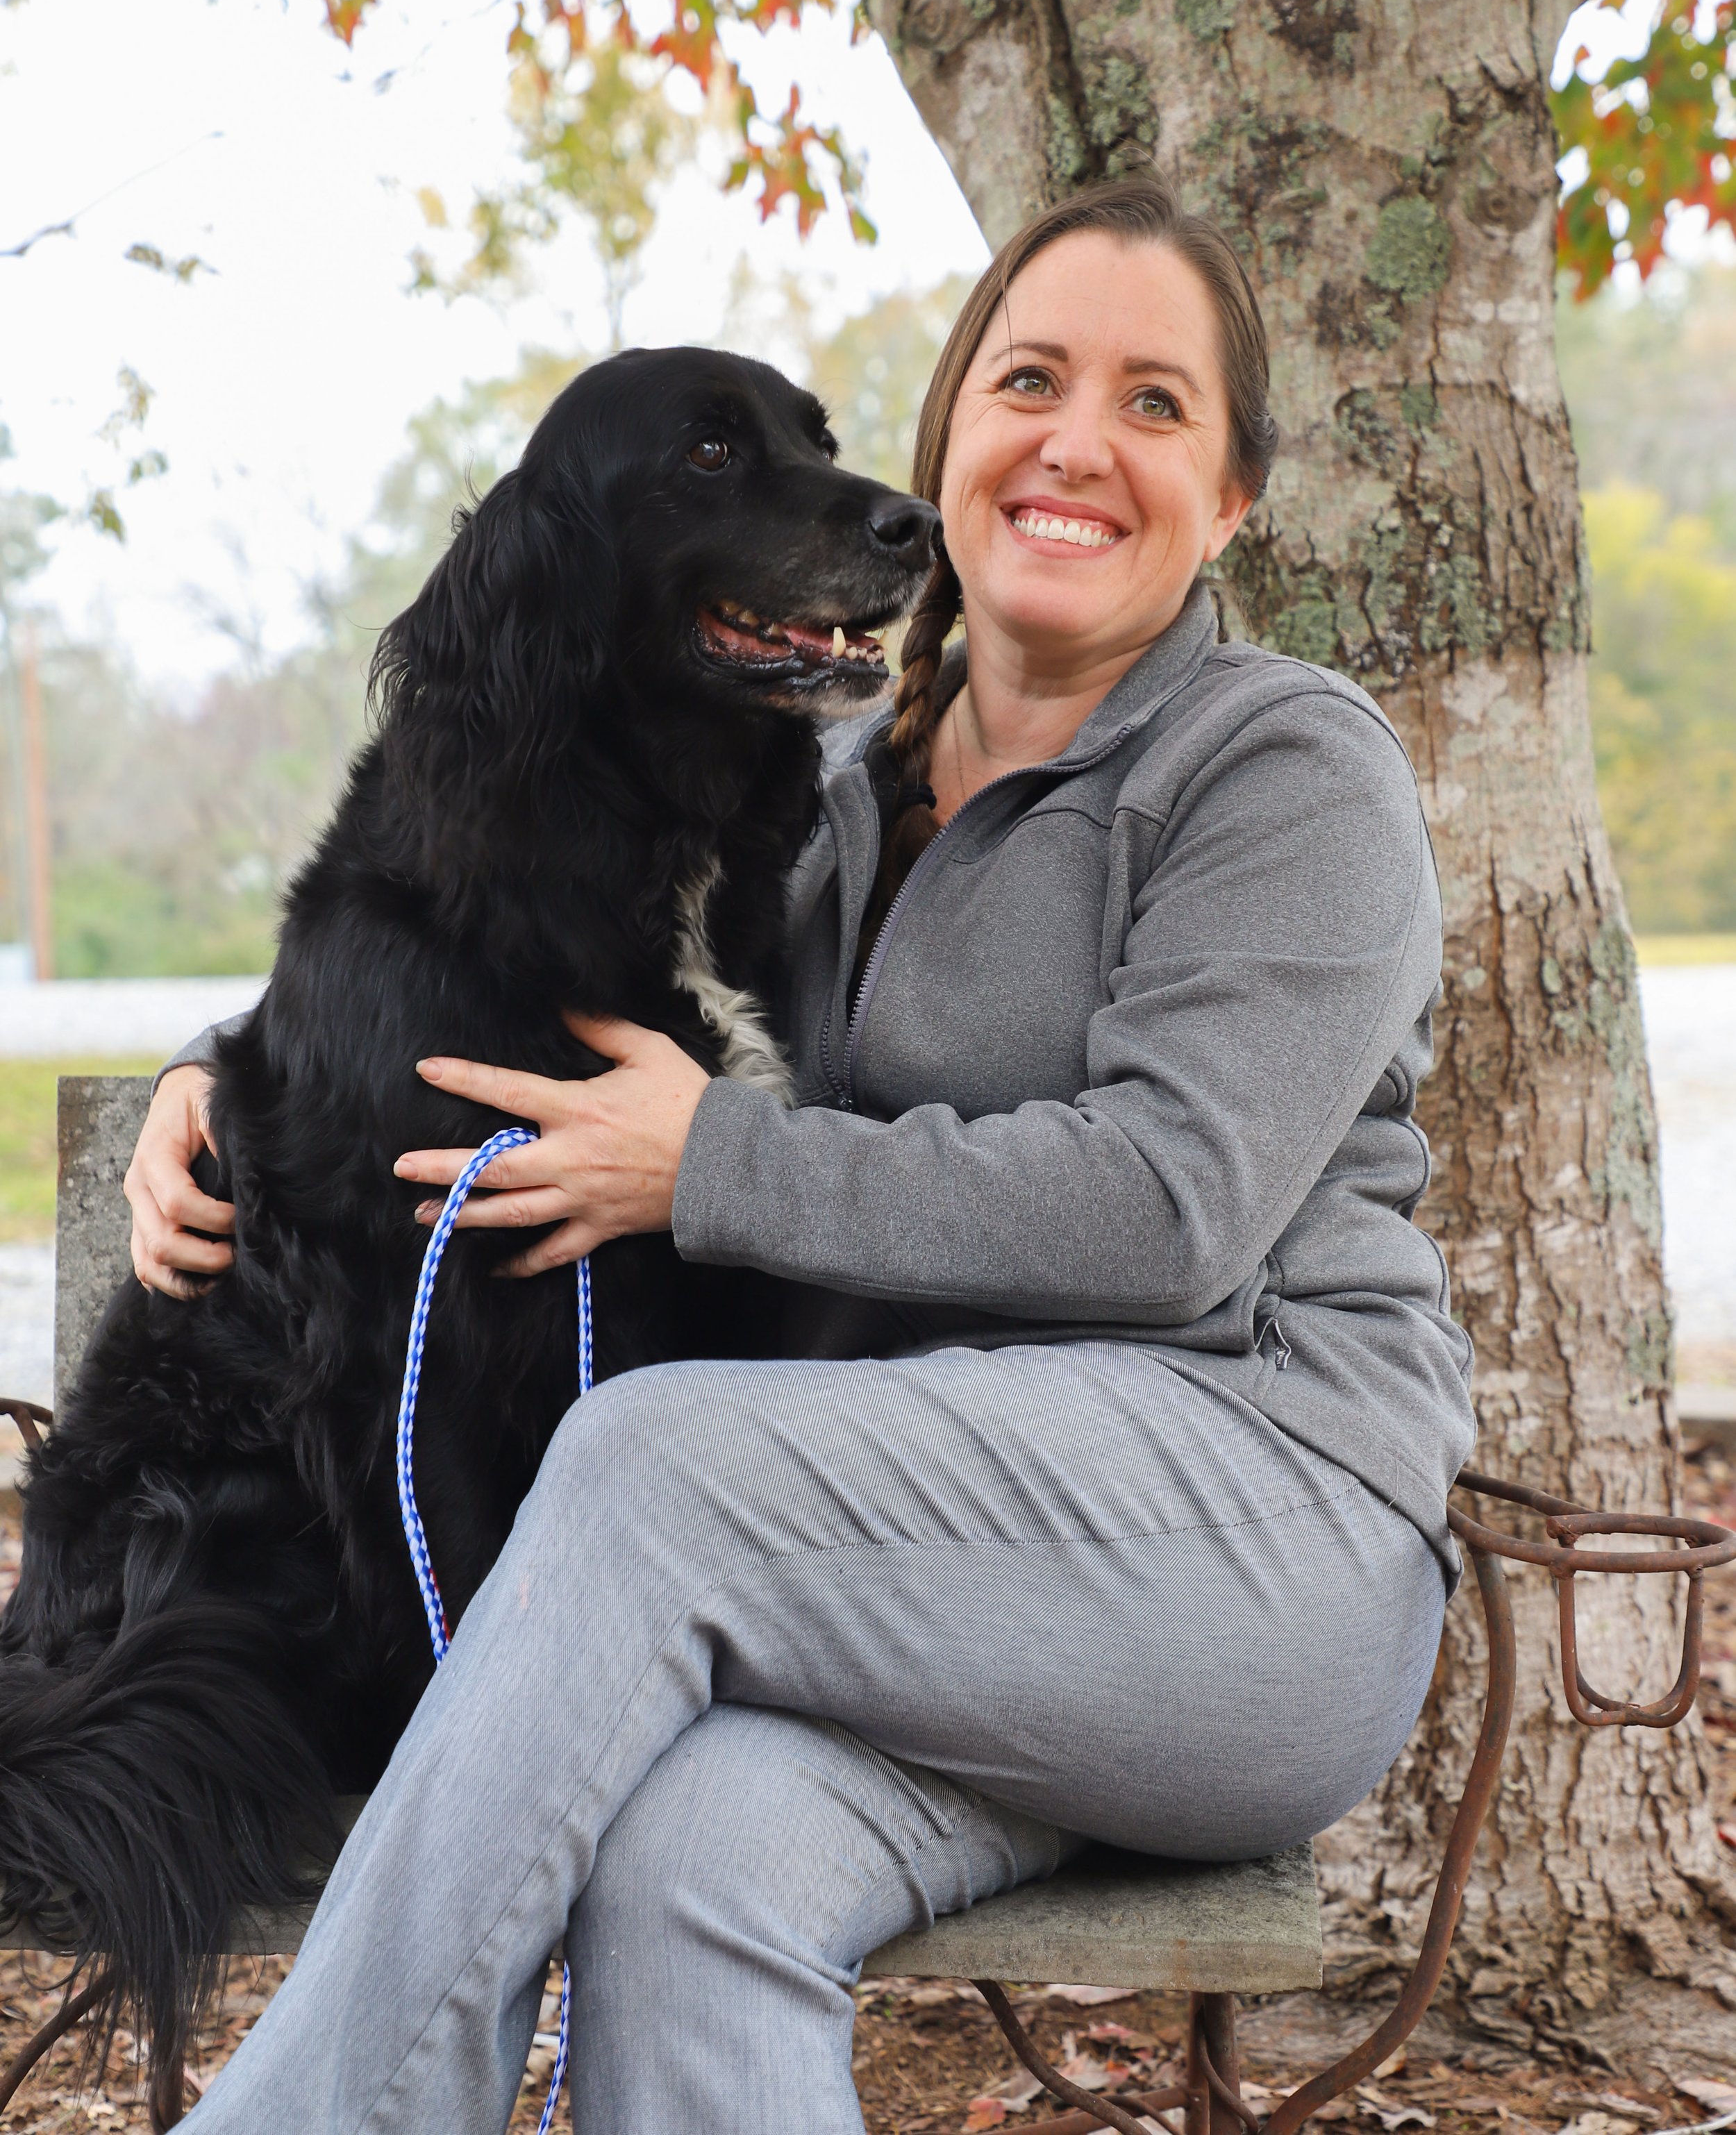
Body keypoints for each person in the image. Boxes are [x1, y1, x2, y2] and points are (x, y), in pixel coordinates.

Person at [126, 171, 1475, 2135]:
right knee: (686, 1860)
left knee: (648, 1466)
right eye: (1028, 379)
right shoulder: (826, 802)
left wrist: (714, 1168)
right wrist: (218, 1071)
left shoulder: (1281, 765)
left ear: (1234, 500)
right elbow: (475, 922)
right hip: (925, 1601)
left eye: (1155, 403)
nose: (1076, 442)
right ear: (949, 443)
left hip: (1257, 1546)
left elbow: (1172, 1206)